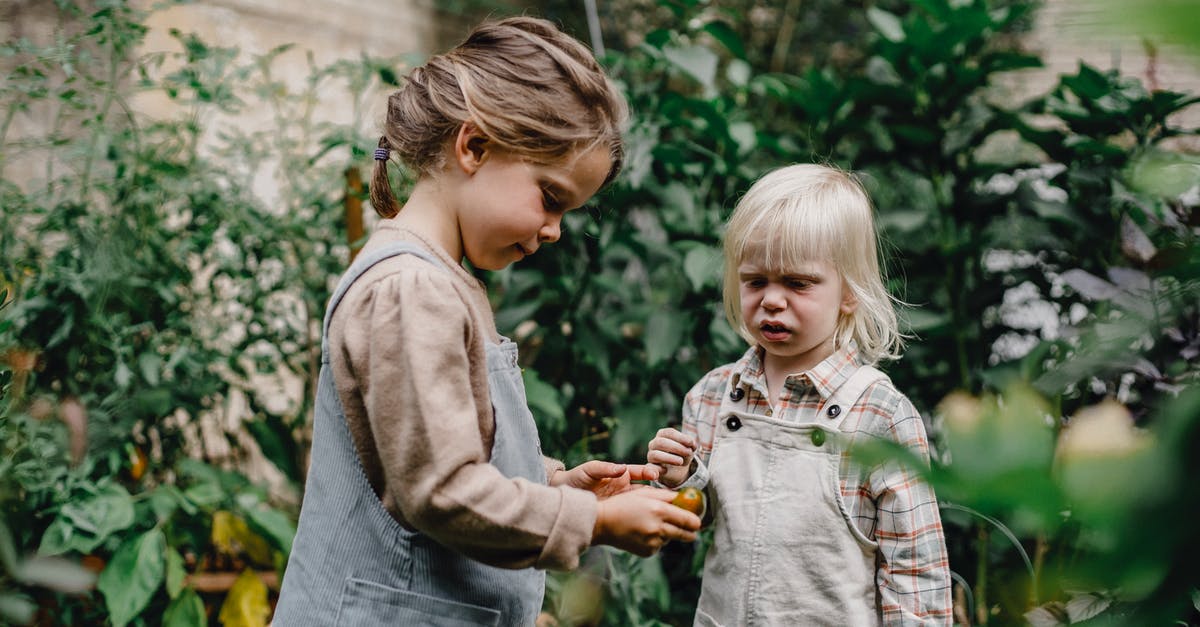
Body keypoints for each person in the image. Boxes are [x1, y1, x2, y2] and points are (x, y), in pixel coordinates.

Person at [274, 16, 700, 626]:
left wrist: (558, 487)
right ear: (473, 147)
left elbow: (447, 447)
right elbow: (442, 490)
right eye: (550, 197)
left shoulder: (440, 281)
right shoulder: (409, 289)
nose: (554, 230)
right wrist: (596, 522)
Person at [646, 164, 952, 625]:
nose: (771, 300)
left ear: (849, 292)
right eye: (755, 281)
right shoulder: (714, 395)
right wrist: (681, 478)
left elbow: (915, 568)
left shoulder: (879, 415)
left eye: (797, 283)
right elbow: (704, 518)